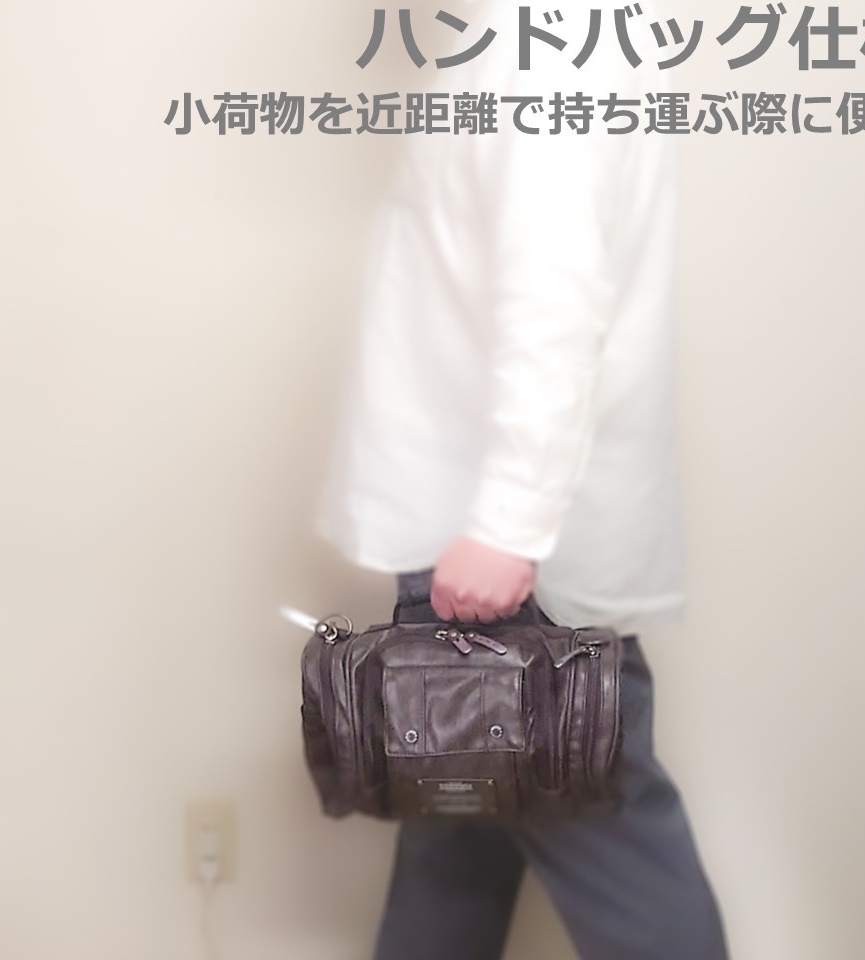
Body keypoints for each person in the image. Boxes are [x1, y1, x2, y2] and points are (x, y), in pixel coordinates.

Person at [315, 3, 729, 957]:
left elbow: (553, 298)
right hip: (477, 548)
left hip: (505, 568)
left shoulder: (541, 54)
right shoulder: (528, 42)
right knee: (453, 858)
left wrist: (509, 522)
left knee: (611, 857)